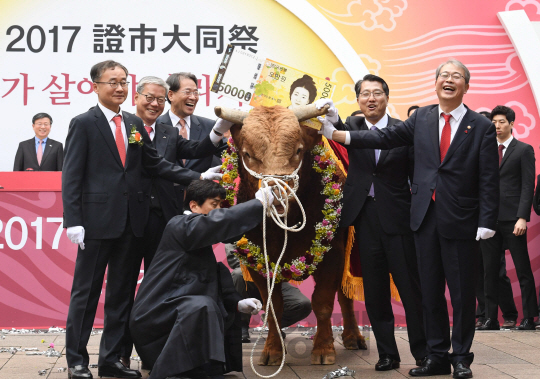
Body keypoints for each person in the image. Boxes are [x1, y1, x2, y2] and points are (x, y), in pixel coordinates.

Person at [317, 59, 499, 379]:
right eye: (444, 75)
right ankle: (412, 355)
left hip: (433, 219)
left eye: (456, 76)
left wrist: (482, 217)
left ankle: (444, 356)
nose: (371, 99)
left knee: (440, 294)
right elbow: (366, 137)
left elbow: (472, 175)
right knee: (402, 293)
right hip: (394, 219)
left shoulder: (454, 126)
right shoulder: (400, 122)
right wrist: (335, 129)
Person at [62, 60, 232, 379]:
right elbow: (72, 176)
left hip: (132, 224)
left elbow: (156, 165)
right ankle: (77, 361)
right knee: (85, 293)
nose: (119, 87)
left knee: (122, 295)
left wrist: (197, 174)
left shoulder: (133, 124)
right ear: (95, 86)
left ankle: (112, 360)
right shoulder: (83, 123)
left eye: (124, 81)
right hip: (96, 223)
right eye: (112, 82)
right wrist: (73, 220)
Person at [321, 74, 427, 371]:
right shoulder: (351, 127)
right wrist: (329, 114)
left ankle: (423, 352)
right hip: (364, 218)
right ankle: (388, 354)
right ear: (358, 100)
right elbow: (336, 130)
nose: (371, 99)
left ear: (386, 97)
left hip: (399, 218)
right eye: (365, 94)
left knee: (410, 289)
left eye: (377, 93)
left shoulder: (403, 130)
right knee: (376, 291)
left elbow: (418, 173)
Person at [130, 180, 277, 379]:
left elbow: (208, 277)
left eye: (220, 206)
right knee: (202, 305)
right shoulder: (179, 225)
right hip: (155, 322)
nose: (218, 210)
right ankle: (179, 370)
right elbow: (217, 223)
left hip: (175, 313)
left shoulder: (196, 234)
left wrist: (236, 303)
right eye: (214, 205)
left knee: (204, 303)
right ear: (193, 205)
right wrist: (257, 203)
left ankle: (202, 369)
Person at [478, 105, 537, 331]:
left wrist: (522, 217)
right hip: (488, 219)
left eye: (502, 122)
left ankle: (530, 317)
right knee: (489, 271)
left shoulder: (524, 150)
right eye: (494, 122)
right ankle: (491, 318)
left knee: (522, 270)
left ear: (511, 123)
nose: (497, 126)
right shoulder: (485, 150)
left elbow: (527, 186)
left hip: (513, 220)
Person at [474, 109, 517, 330]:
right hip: (473, 217)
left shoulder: (509, 150)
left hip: (496, 219)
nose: (494, 127)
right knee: (478, 271)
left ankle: (509, 313)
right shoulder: (474, 150)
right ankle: (483, 314)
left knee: (496, 271)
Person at [157, 72, 225, 211]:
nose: (193, 97)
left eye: (196, 92)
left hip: (201, 208)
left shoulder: (211, 127)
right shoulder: (156, 126)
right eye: (188, 92)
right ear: (170, 95)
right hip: (163, 204)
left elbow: (227, 152)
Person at [225, 244, 312, 343]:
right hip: (250, 277)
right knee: (238, 274)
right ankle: (241, 326)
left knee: (303, 304)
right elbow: (234, 259)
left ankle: (274, 325)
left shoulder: (280, 229)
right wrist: (262, 268)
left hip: (275, 281)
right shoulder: (239, 230)